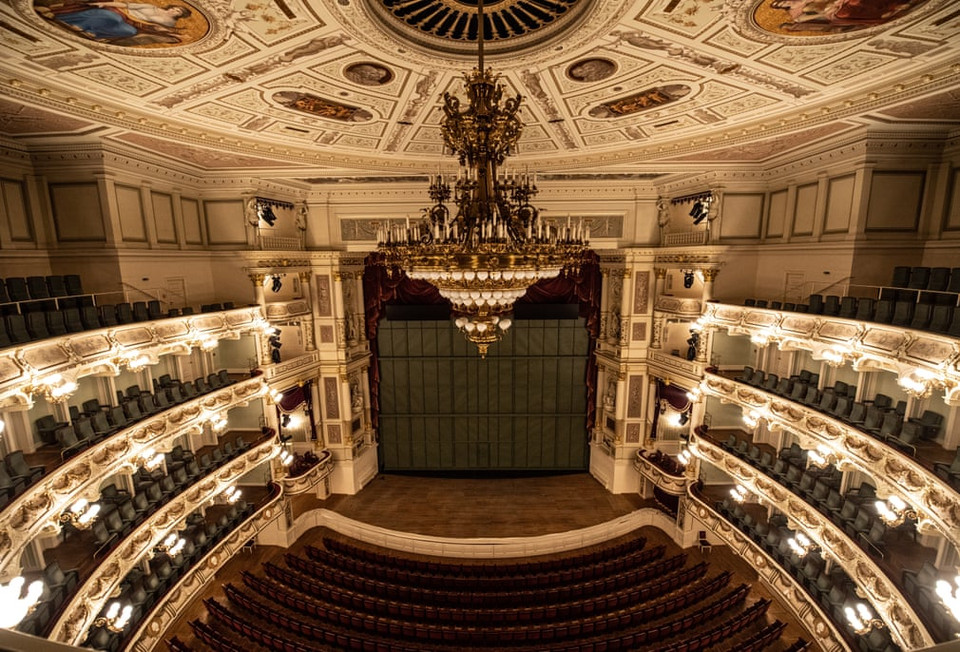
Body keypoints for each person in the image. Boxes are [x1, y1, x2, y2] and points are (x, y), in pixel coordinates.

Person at [39, 1, 192, 44]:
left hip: (134, 24)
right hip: (122, 13)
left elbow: (158, 29)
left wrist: (177, 34)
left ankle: (94, 33)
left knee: (129, 32)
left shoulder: (170, 23)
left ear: (180, 16)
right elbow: (125, 6)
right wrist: (104, 3)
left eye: (178, 12)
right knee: (113, 18)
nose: (175, 11)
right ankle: (78, 25)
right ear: (171, 6)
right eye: (175, 8)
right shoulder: (150, 7)